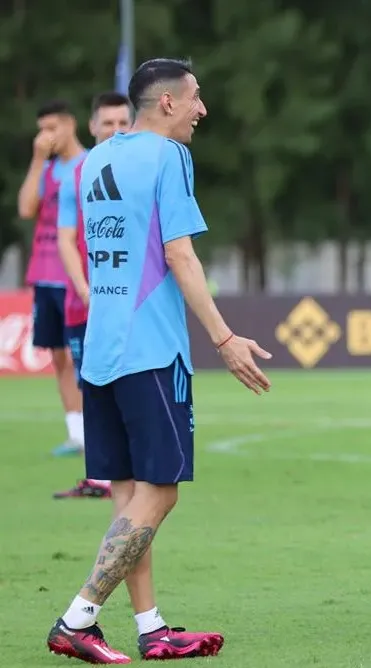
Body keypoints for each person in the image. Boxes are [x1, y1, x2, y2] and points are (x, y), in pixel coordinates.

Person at [46, 58, 272, 664]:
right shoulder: (170, 156)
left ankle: (151, 628)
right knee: (161, 493)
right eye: (195, 97)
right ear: (168, 102)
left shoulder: (97, 159)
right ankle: (78, 619)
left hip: (102, 347)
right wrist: (224, 338)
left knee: (130, 500)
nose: (202, 109)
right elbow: (180, 255)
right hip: (149, 348)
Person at [53, 92, 133, 500]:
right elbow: (65, 239)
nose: (116, 131)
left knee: (128, 385)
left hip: (128, 302)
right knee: (92, 386)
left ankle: (119, 473)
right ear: (93, 127)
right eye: (108, 123)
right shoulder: (78, 174)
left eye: (123, 123)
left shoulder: (141, 169)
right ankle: (102, 474)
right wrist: (86, 291)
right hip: (84, 303)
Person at [17, 100, 87, 456]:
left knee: (80, 356)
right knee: (58, 357)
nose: (46, 136)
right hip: (43, 275)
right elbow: (26, 208)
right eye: (41, 130)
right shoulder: (44, 170)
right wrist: (37, 159)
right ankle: (76, 433)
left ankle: (96, 428)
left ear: (70, 125)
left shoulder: (89, 164)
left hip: (75, 276)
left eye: (52, 128)